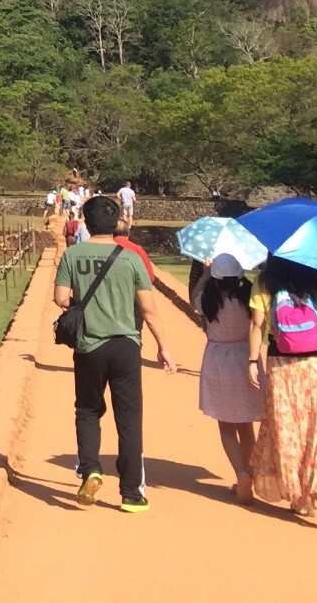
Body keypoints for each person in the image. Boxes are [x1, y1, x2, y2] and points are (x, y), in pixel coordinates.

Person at [54, 193, 176, 513]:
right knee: (130, 417)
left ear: (86, 220)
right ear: (117, 222)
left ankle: (91, 468)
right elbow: (149, 310)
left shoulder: (73, 255)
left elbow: (61, 298)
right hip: (126, 345)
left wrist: (83, 302)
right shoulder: (130, 257)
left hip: (89, 345)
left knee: (88, 410)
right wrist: (163, 347)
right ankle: (132, 492)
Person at [249, 257, 317, 528]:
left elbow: (257, 325)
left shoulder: (265, 281)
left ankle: (301, 499)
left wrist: (252, 361)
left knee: (289, 431)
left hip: (283, 365)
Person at [189, 253, 265, 501]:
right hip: (245, 356)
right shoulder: (248, 300)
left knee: (226, 426)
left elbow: (193, 298)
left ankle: (241, 473)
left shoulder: (208, 300)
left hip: (219, 359)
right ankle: (248, 475)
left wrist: (205, 275)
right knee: (245, 425)